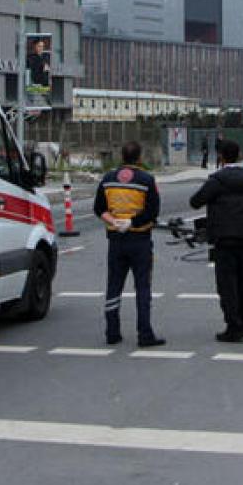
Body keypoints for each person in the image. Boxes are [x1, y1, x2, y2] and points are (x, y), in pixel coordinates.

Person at [93, 141, 165, 347]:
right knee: (142, 287)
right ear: (139, 157)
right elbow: (152, 212)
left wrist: (114, 221)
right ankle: (144, 334)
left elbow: (98, 208)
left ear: (121, 156)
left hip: (116, 240)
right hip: (140, 241)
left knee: (114, 286)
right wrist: (131, 222)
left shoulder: (108, 179)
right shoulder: (146, 180)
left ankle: (112, 331)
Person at [190, 140, 243, 343]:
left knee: (227, 283)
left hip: (224, 236)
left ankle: (233, 326)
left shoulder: (217, 180)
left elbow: (195, 201)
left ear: (221, 157)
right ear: (239, 155)